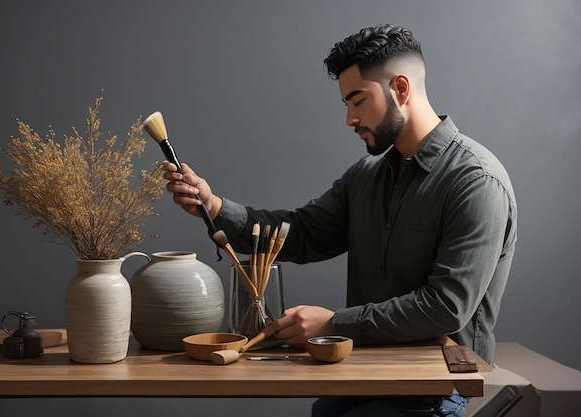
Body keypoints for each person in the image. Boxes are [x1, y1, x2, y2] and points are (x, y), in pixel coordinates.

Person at [162, 24, 517, 417]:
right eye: (346, 104)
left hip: (440, 384)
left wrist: (335, 322)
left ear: (400, 88)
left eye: (358, 100)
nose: (350, 118)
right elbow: (300, 233)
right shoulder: (365, 177)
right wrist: (213, 206)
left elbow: (446, 307)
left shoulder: (476, 181)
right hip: (366, 372)